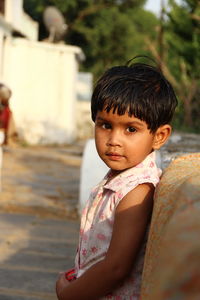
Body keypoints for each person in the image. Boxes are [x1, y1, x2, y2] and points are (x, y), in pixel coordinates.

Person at [56, 58, 178, 299]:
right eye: (105, 125)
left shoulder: (137, 191)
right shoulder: (120, 179)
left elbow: (115, 268)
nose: (114, 139)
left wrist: (68, 294)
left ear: (159, 136)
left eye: (130, 129)